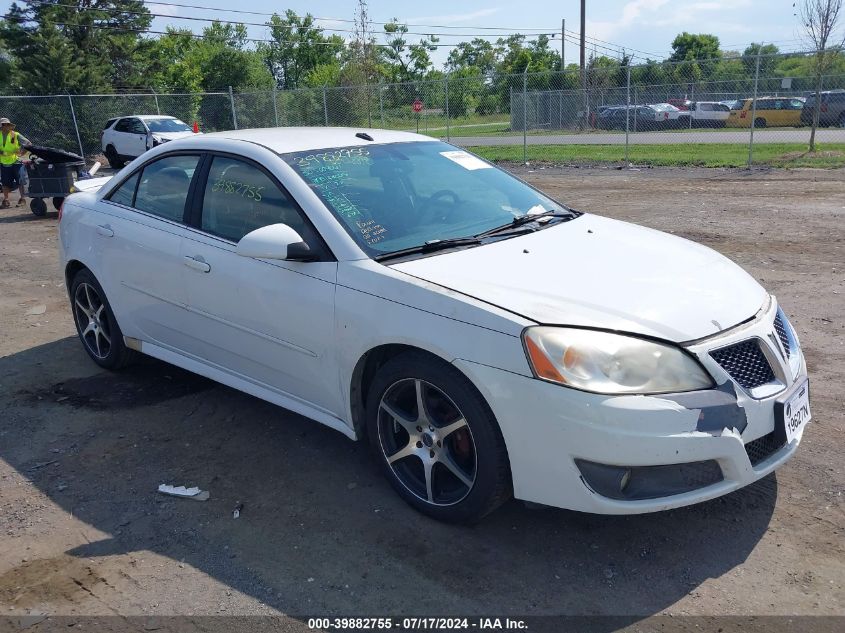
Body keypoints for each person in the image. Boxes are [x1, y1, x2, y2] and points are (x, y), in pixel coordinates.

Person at [0, 117, 30, 208]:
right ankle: (6, 200)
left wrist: (22, 153)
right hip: (3, 161)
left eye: (7, 124)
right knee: (5, 182)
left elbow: (28, 143)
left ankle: (22, 199)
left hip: (16, 161)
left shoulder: (15, 135)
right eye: (3, 125)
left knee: (19, 180)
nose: (6, 126)